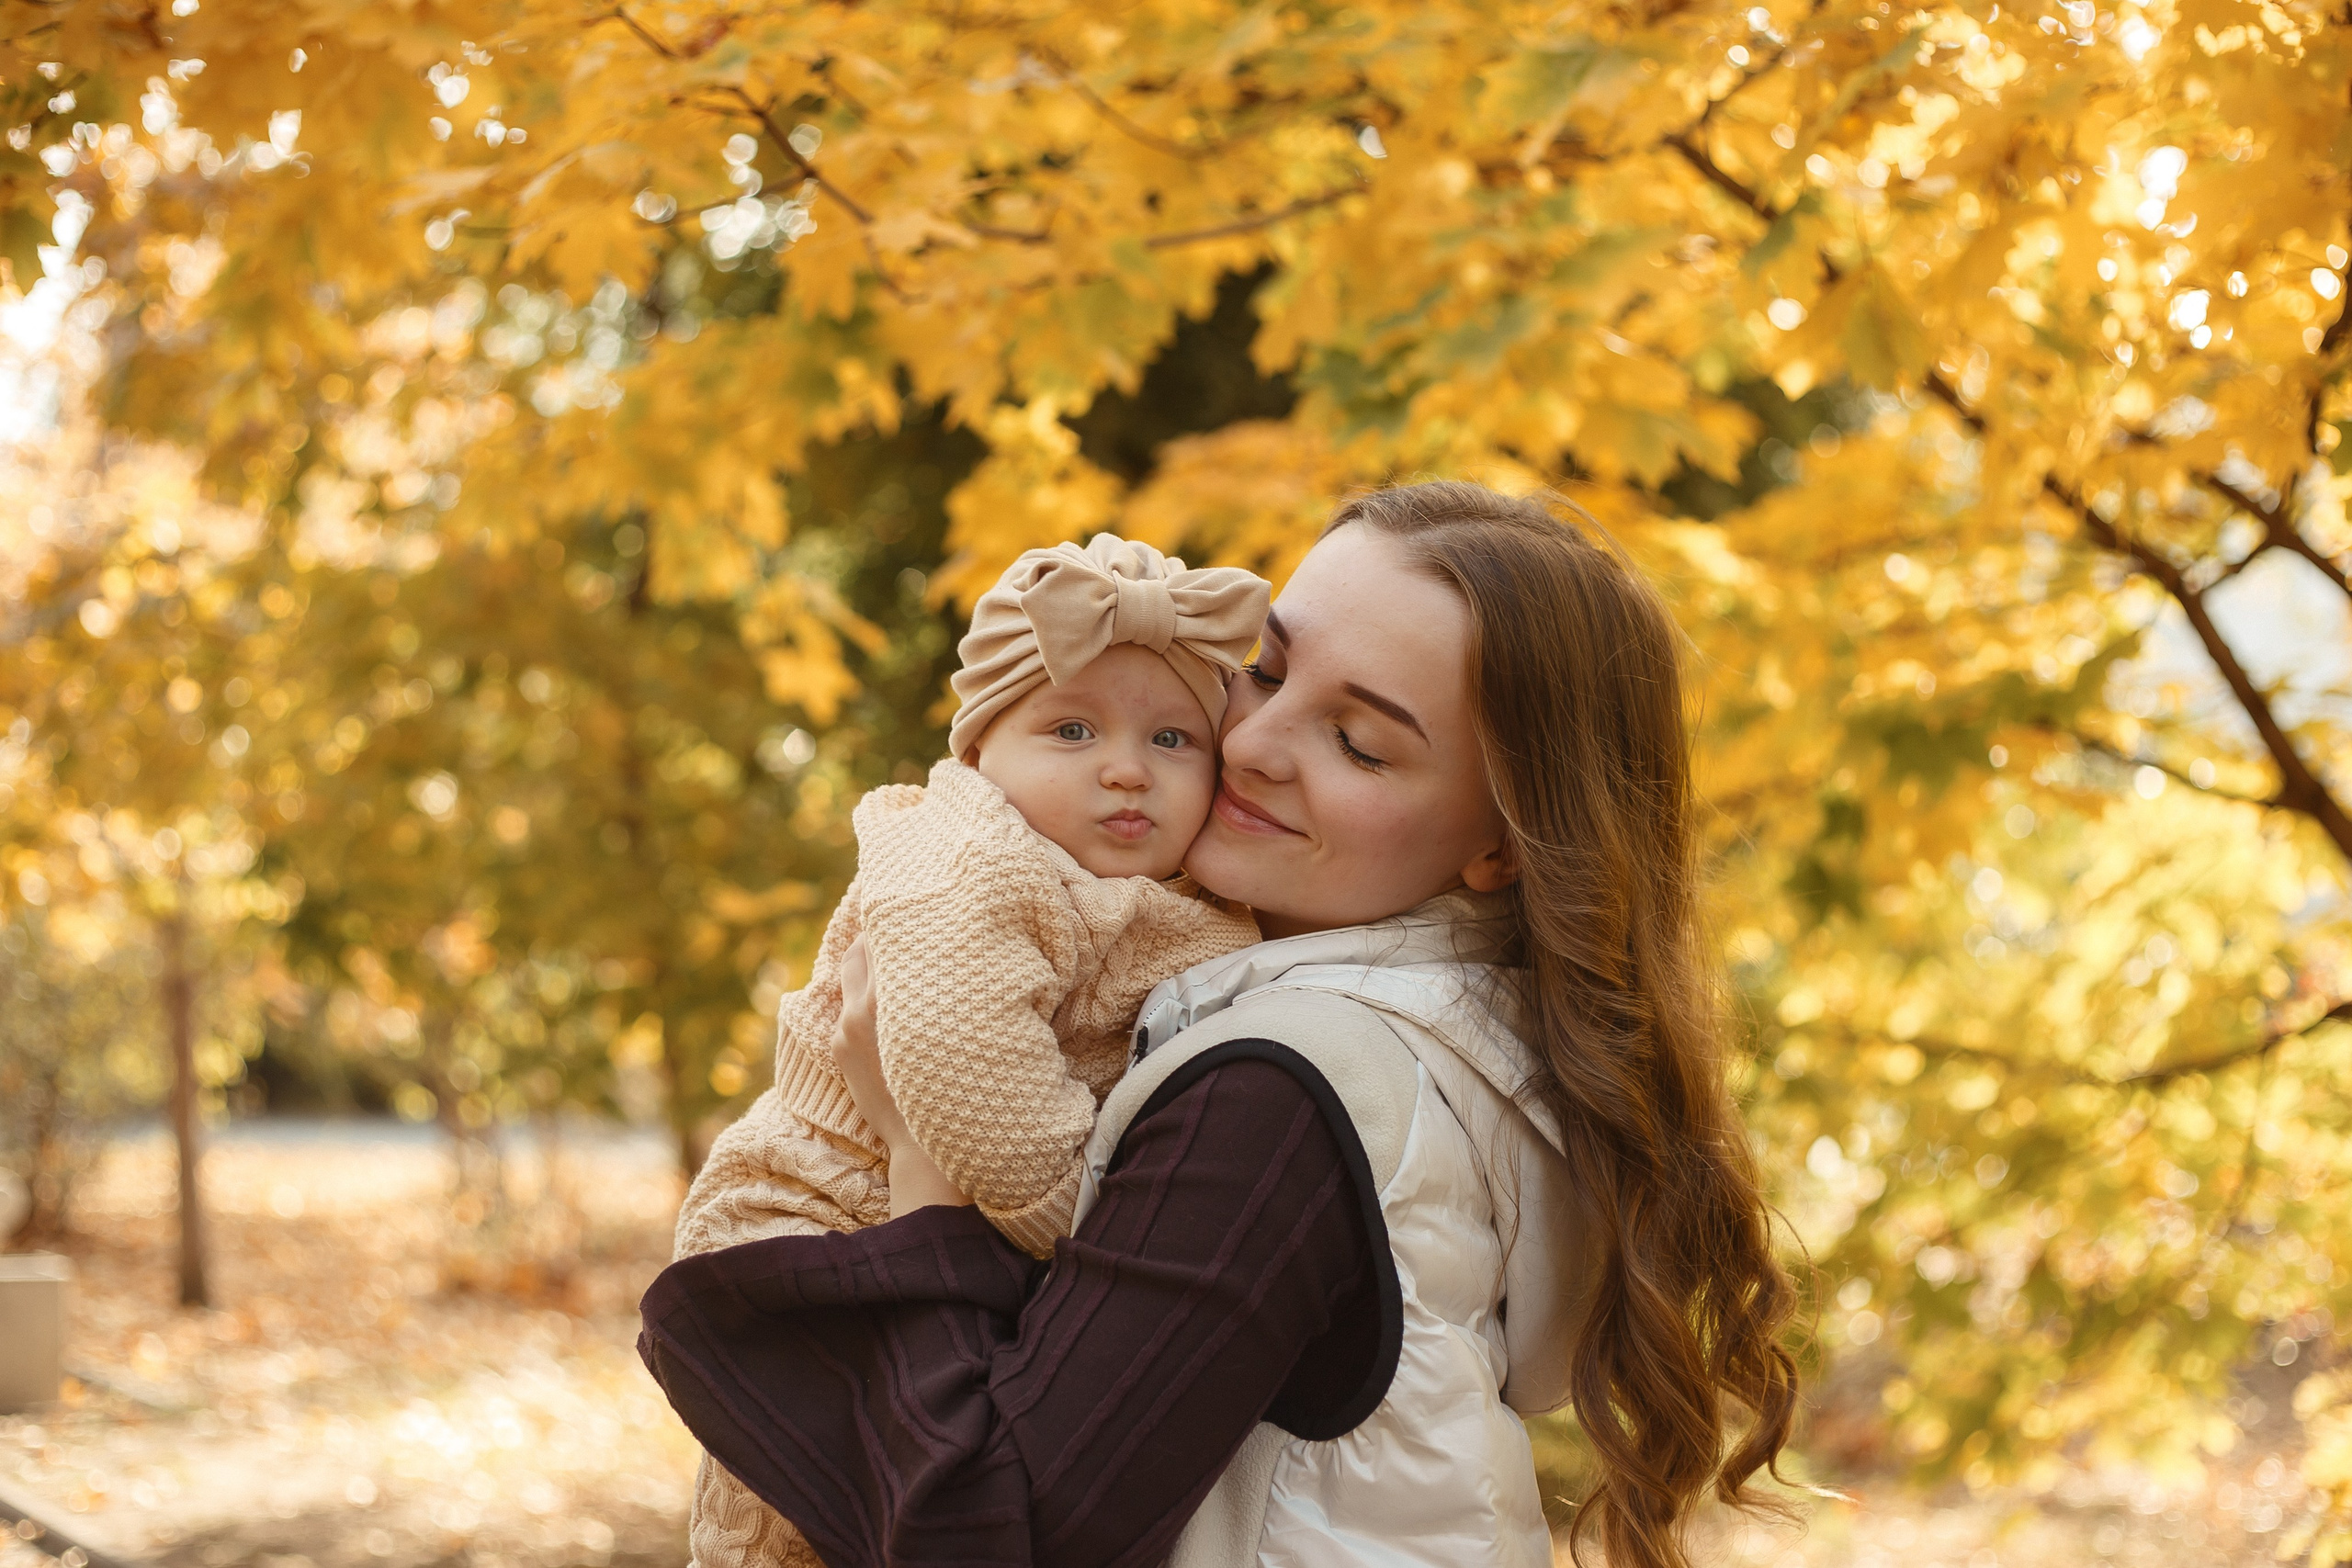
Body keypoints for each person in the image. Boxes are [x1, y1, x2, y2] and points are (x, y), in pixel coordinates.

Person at [640, 481, 1799, 1568]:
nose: (1246, 742)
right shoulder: (1466, 1053)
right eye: (1264, 668)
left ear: (1499, 846)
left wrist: (921, 1163)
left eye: (1357, 741)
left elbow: (988, 1535)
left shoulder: (1284, 1093)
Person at [672, 535, 1269, 1568]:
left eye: (1174, 740)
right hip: (823, 1204)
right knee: (807, 1521)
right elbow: (959, 1062)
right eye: (1071, 729)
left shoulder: (1181, 900)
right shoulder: (967, 856)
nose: (1126, 769)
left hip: (955, 1216)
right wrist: (1094, 1236)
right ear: (977, 755)